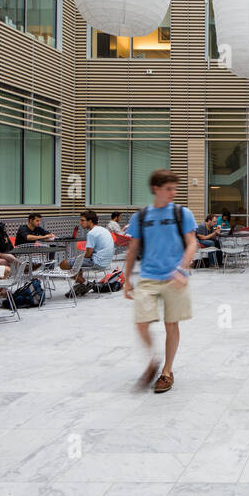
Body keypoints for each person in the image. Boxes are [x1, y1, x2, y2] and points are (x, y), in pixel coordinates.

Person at [124, 169, 198, 394]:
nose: (173, 193)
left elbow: (192, 243)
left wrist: (181, 269)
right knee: (141, 323)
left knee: (171, 324)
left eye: (175, 188)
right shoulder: (142, 216)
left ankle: (167, 371)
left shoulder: (182, 213)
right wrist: (126, 279)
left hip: (175, 277)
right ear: (156, 189)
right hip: (149, 277)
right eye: (169, 189)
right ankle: (153, 359)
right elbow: (133, 248)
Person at [63, 210, 115, 296]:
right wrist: (78, 258)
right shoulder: (103, 230)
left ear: (90, 221)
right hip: (106, 261)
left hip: (96, 262)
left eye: (82, 220)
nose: (80, 223)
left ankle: (87, 284)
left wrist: (77, 258)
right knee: (77, 263)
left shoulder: (92, 233)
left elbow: (88, 254)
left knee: (64, 264)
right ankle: (80, 287)